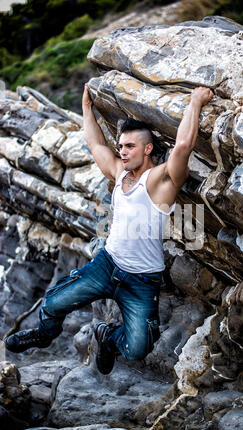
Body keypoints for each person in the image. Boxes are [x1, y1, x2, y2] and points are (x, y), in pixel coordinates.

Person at [5, 83, 213, 375]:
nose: (123, 152)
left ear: (148, 148)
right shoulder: (119, 172)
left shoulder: (160, 181)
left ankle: (108, 336)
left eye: (130, 147)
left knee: (138, 348)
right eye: (121, 146)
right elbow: (96, 145)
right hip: (107, 264)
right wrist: (87, 108)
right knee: (53, 303)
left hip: (141, 281)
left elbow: (182, 147)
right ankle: (45, 334)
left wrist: (195, 102)